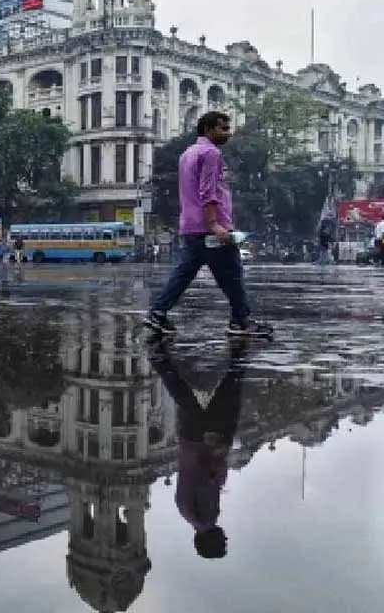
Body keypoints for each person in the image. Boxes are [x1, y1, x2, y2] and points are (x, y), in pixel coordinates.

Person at [144, 112, 272, 337]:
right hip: (211, 228)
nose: (228, 133)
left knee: (184, 273)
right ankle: (240, 321)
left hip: (192, 226)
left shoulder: (187, 153)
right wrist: (214, 224)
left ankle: (158, 312)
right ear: (208, 129)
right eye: (223, 128)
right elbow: (208, 192)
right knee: (232, 274)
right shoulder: (210, 153)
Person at [150, 339, 244, 559]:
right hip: (191, 442)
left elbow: (206, 480)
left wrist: (218, 463)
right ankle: (159, 359)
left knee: (228, 393)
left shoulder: (205, 518)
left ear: (211, 541)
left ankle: (239, 355)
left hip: (206, 444)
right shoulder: (188, 514)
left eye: (222, 543)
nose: (226, 538)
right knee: (187, 398)